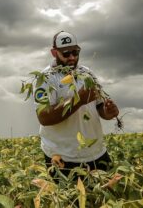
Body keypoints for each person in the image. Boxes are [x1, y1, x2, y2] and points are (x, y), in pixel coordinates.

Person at [33, 31, 119, 181]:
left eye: (75, 52)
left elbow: (99, 107)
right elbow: (44, 117)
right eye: (66, 54)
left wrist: (109, 112)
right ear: (54, 53)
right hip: (63, 158)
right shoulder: (45, 79)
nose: (72, 57)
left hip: (96, 153)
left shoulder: (87, 73)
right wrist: (78, 100)